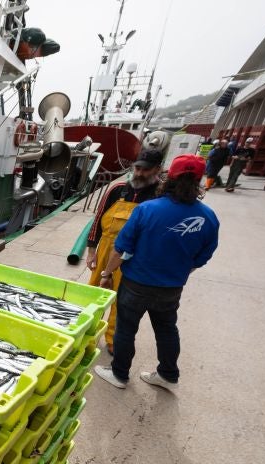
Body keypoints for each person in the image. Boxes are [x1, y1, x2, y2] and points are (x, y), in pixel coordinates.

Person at [93, 154, 220, 391]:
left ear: (168, 177)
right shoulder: (208, 217)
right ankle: (168, 375)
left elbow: (121, 248)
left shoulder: (147, 209)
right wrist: (179, 271)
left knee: (125, 328)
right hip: (172, 287)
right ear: (199, 181)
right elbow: (203, 256)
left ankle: (120, 375)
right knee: (166, 329)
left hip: (135, 283)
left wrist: (106, 274)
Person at [85, 148, 163, 354]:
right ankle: (86, 334)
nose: (139, 173)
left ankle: (113, 339)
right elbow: (97, 221)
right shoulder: (117, 189)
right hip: (106, 249)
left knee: (123, 300)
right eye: (137, 168)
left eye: (145, 170)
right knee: (93, 294)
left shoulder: (160, 195)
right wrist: (91, 250)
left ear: (157, 169)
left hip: (134, 256)